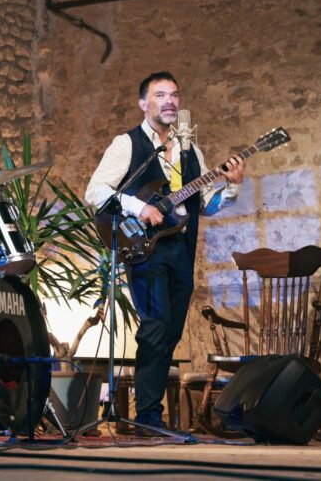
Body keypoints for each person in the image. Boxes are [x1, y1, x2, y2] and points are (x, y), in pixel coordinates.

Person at [85, 71, 245, 433]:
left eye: (174, 94)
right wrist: (138, 207)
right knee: (155, 327)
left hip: (181, 250)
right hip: (144, 248)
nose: (170, 101)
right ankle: (148, 418)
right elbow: (95, 191)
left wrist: (231, 187)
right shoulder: (127, 145)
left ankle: (149, 415)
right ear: (144, 104)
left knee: (169, 332)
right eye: (160, 95)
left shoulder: (191, 150)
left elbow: (206, 203)